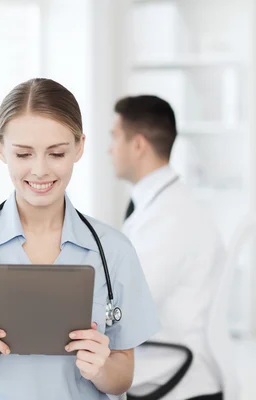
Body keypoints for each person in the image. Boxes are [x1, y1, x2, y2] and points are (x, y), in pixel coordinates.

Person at [0, 78, 160, 399]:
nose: (39, 170)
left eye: (56, 153)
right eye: (24, 154)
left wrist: (102, 368)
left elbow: (122, 376)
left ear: (79, 147)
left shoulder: (114, 250)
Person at [109, 95, 224, 400]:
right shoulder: (158, 205)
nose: (110, 148)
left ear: (138, 145)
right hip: (162, 372)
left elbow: (130, 302)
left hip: (179, 382)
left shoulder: (172, 217)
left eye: (115, 137)